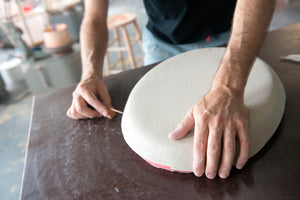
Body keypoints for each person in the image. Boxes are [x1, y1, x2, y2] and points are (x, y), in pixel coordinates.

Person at [67, 0, 276, 179]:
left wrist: (228, 87)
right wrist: (90, 74)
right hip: (162, 43)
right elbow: (94, 15)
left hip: (233, 35)